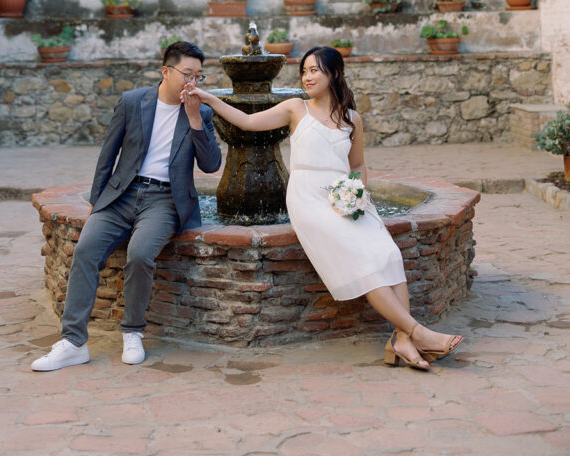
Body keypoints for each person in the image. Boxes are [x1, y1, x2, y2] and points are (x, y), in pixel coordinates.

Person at [184, 45, 462, 371]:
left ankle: (402, 339)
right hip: (307, 196)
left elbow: (357, 165)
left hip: (345, 194)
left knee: (389, 254)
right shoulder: (295, 108)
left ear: (334, 73)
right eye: (304, 71)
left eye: (314, 69)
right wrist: (208, 99)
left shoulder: (352, 119)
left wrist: (355, 194)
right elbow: (246, 122)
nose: (307, 76)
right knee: (362, 259)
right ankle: (417, 332)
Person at [31, 41, 221, 371]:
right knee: (86, 250)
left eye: (198, 77)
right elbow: (107, 156)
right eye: (187, 74)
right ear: (166, 71)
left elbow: (211, 165)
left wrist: (192, 118)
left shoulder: (201, 112)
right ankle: (73, 342)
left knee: (140, 254)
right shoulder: (133, 102)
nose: (193, 83)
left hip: (164, 201)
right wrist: (98, 203)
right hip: (121, 196)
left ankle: (133, 331)